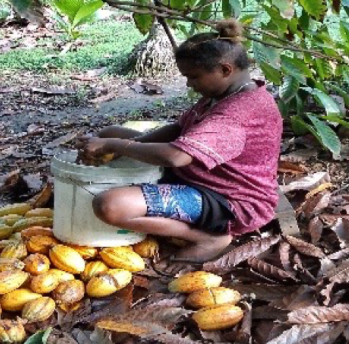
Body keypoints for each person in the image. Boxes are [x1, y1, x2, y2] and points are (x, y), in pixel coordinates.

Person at [76, 20, 282, 262]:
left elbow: (176, 156)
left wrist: (115, 146)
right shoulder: (226, 93)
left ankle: (208, 237)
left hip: (230, 202)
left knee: (109, 205)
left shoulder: (236, 113)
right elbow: (178, 129)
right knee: (112, 131)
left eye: (193, 77)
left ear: (225, 70)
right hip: (201, 178)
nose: (189, 84)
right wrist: (121, 144)